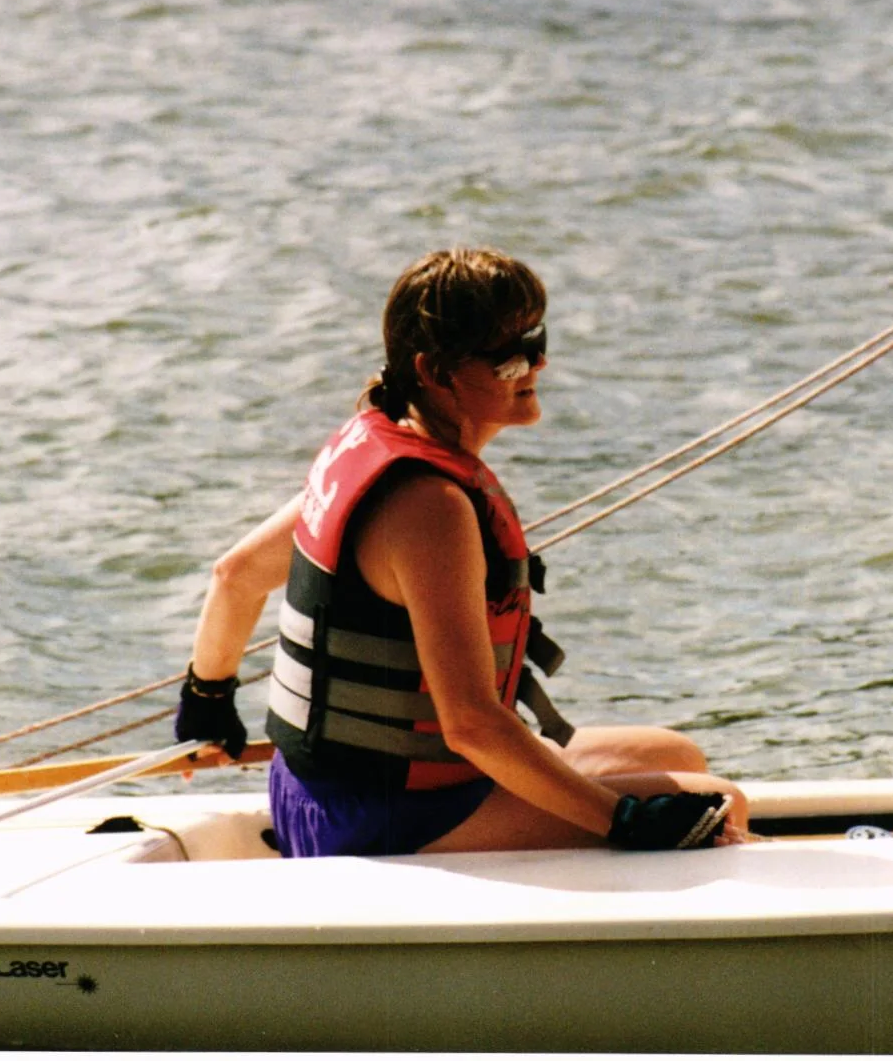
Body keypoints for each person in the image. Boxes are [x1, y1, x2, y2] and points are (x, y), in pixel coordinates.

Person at [175, 246, 750, 857]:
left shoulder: (377, 448)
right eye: (510, 356)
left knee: (674, 755)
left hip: (316, 791)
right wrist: (625, 821)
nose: (538, 363)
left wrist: (207, 697)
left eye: (537, 340)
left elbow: (236, 574)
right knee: (718, 806)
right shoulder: (430, 507)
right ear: (435, 371)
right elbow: (472, 725)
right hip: (375, 815)